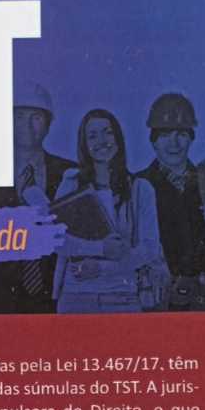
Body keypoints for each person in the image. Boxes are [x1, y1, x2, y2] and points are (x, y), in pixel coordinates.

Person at [0, 82, 74, 314]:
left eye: (36, 117)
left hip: (57, 296)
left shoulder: (70, 173)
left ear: (49, 124)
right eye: (19, 116)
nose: (27, 125)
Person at [49, 109, 162, 313]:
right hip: (75, 298)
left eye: (108, 133)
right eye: (92, 136)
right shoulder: (71, 183)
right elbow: (54, 239)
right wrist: (100, 249)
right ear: (84, 145)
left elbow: (149, 249)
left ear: (118, 138)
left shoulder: (141, 189)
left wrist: (101, 268)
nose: (101, 141)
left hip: (124, 297)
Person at [135, 93, 205, 311]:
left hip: (203, 294)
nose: (174, 143)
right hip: (153, 294)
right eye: (165, 135)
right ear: (153, 141)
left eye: (181, 134)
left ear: (191, 138)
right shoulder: (138, 185)